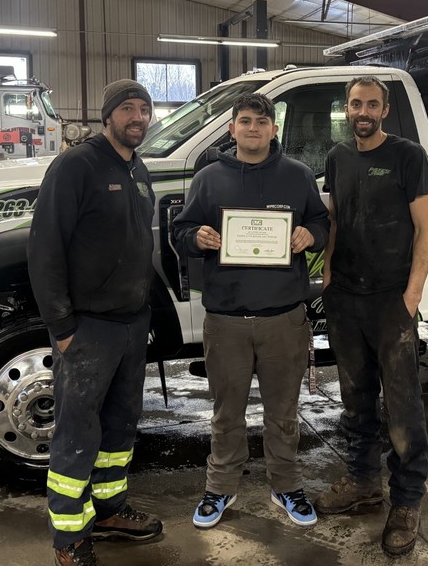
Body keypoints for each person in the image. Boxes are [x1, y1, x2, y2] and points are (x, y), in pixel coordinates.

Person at [173, 93, 330, 531]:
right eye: (245, 121)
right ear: (232, 130)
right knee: (227, 414)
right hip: (226, 320)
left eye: (262, 121)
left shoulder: (298, 177)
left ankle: (286, 485)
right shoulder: (208, 180)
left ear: (274, 129)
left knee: (284, 413)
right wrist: (196, 237)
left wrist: (308, 235)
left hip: (284, 318)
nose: (253, 128)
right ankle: (220, 487)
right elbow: (181, 230)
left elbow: (322, 223)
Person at [28, 79, 163, 566]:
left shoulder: (137, 168)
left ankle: (108, 510)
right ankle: (69, 538)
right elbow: (45, 249)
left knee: (119, 427)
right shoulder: (75, 166)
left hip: (130, 325)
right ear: (108, 116)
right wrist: (62, 327)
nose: (138, 117)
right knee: (77, 433)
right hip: (87, 329)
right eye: (128, 109)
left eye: (144, 109)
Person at [316, 75, 428, 558]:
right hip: (346, 297)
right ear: (346, 109)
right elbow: (335, 222)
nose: (362, 111)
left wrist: (411, 297)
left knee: (403, 407)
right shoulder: (337, 158)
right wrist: (326, 278)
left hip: (391, 301)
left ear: (384, 110)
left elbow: (425, 230)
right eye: (354, 103)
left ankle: (406, 501)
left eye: (371, 104)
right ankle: (363, 482)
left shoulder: (408, 157)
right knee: (355, 399)